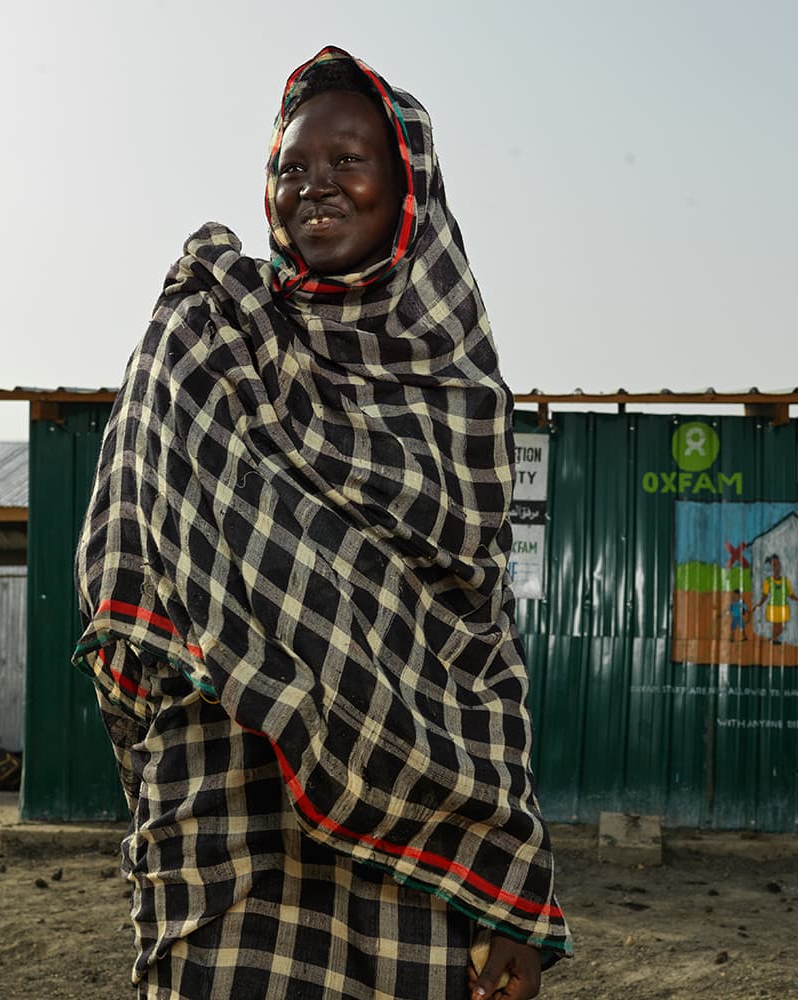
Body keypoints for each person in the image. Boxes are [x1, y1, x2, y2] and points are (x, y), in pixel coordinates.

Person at [73, 46, 571, 999]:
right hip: (232, 819)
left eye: (349, 162)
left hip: (415, 863)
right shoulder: (214, 332)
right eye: (291, 168)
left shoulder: (459, 393)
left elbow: (477, 645)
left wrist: (506, 881)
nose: (316, 188)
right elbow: (129, 551)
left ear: (409, 187)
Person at [750, 554, 798, 645]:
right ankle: (775, 640)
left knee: (781, 628)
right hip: (773, 608)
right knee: (776, 626)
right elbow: (765, 595)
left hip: (783, 608)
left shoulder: (785, 581)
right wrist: (759, 604)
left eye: (778, 564)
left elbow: (791, 595)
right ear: (771, 568)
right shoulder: (768, 581)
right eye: (774, 565)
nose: (777, 567)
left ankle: (773, 638)